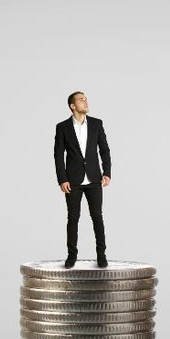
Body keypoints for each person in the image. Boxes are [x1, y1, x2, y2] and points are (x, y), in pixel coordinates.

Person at [53, 91, 112, 268]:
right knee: (73, 218)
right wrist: (62, 179)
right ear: (73, 106)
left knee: (97, 217)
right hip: (73, 181)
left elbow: (104, 150)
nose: (85, 102)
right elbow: (58, 156)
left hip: (94, 178)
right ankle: (72, 256)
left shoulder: (96, 124)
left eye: (86, 99)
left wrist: (107, 172)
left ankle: (101, 255)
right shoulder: (62, 127)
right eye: (81, 99)